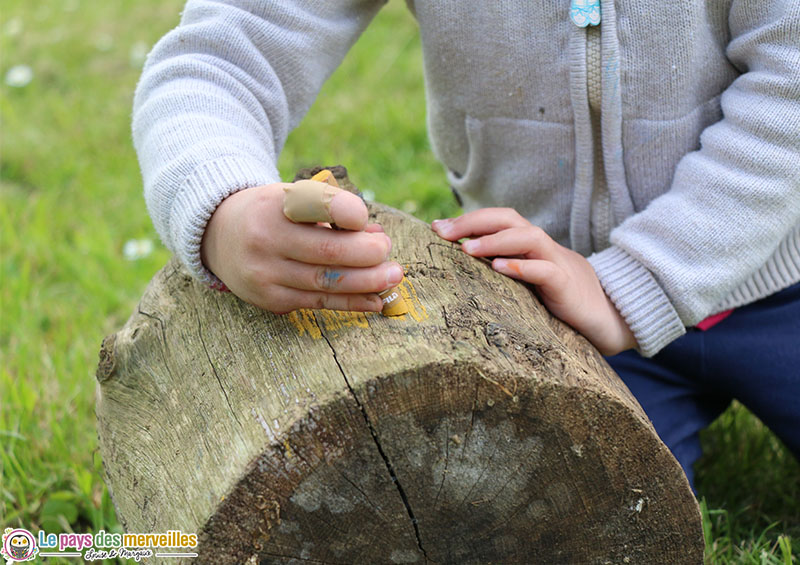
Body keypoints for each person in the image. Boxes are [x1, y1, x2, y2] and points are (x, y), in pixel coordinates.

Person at [132, 0, 800, 487]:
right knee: (561, 505)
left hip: (780, 283)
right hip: (552, 311)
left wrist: (638, 281)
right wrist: (222, 208)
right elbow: (220, 55)